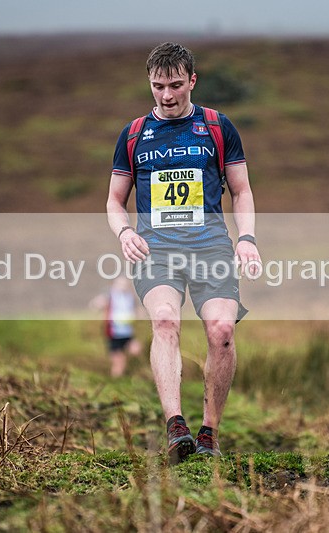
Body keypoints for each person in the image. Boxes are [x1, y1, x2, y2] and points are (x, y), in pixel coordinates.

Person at [106, 42, 261, 464]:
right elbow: (115, 200)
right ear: (149, 83)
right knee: (164, 320)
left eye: (175, 85)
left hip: (210, 245)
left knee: (221, 332)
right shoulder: (134, 133)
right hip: (156, 248)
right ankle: (176, 426)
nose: (167, 95)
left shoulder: (216, 126)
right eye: (158, 86)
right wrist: (124, 232)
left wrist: (246, 238)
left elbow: (241, 190)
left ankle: (210, 431)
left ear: (192, 80)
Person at [90, 275, 144, 378]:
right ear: (114, 285)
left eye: (125, 284)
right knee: (118, 362)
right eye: (120, 284)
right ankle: (116, 381)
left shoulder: (130, 297)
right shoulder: (109, 295)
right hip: (113, 333)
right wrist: (97, 305)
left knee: (136, 350)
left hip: (127, 332)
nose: (122, 286)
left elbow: (136, 311)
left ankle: (129, 369)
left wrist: (139, 315)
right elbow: (96, 304)